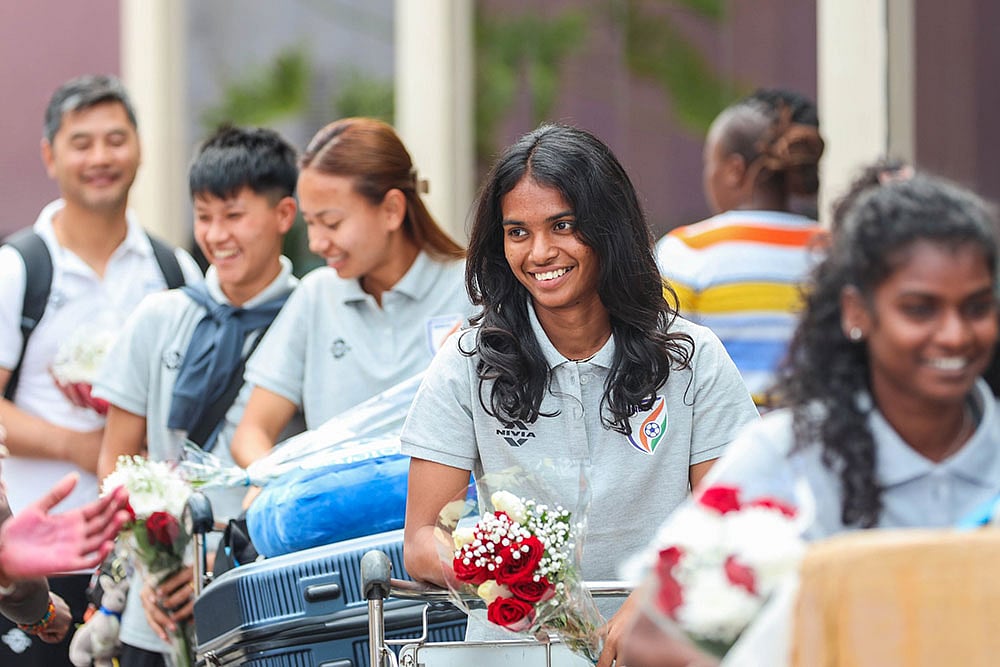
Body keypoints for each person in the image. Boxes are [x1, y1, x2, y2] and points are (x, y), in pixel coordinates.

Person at [399, 123, 759, 667]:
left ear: (607, 227)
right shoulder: (469, 361)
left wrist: (656, 594)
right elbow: (423, 538)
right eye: (516, 232)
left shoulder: (693, 359)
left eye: (563, 226)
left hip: (660, 648)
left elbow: (732, 520)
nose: (540, 252)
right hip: (514, 650)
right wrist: (506, 574)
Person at [623, 172, 1000, 666]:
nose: (954, 335)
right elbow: (649, 643)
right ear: (856, 311)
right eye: (919, 309)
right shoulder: (785, 456)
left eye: (976, 307)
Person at [0, 74, 202, 664]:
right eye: (81, 142)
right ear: (50, 155)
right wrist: (90, 446)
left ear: (139, 147)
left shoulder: (173, 269)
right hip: (37, 564)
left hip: (149, 568)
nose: (100, 158)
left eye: (115, 139)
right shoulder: (19, 268)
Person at [92, 125, 300, 666]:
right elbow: (117, 462)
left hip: (266, 605)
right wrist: (150, 568)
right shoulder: (160, 316)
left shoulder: (311, 318)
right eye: (204, 216)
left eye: (233, 216)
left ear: (284, 214)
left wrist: (223, 564)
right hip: (156, 612)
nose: (216, 234)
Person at [230, 117, 473, 467]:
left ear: (392, 210)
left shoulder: (475, 291)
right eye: (310, 223)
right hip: (333, 517)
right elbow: (251, 432)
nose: (316, 243)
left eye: (331, 223)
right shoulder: (316, 296)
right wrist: (277, 482)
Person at [654, 89, 825, 408]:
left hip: (720, 452)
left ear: (734, 170)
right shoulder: (834, 249)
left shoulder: (687, 251)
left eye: (710, 163)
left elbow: (661, 366)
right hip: (820, 445)